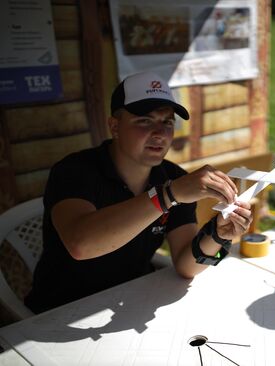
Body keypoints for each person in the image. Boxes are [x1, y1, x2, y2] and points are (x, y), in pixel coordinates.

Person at [25, 71, 252, 313]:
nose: (159, 133)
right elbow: (81, 244)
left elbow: (186, 265)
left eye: (167, 122)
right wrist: (168, 196)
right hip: (59, 312)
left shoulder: (173, 178)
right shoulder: (75, 170)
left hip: (133, 301)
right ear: (114, 126)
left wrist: (218, 235)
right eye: (144, 120)